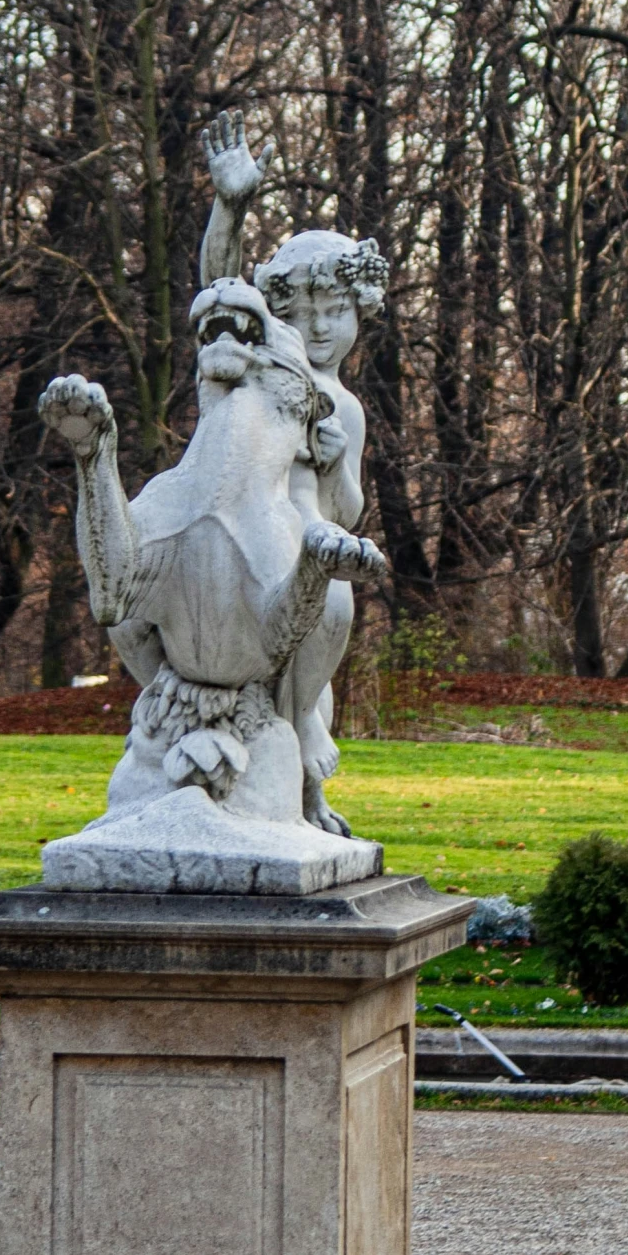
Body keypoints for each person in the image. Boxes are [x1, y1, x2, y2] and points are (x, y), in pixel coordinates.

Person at [199, 109, 388, 834]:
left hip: (300, 553)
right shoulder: (260, 365)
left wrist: (337, 461)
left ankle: (305, 781)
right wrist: (230, 204)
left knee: (331, 602)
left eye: (334, 310)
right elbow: (218, 295)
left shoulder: (346, 405)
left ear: (357, 311)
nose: (317, 328)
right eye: (302, 310)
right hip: (235, 538)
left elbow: (343, 512)